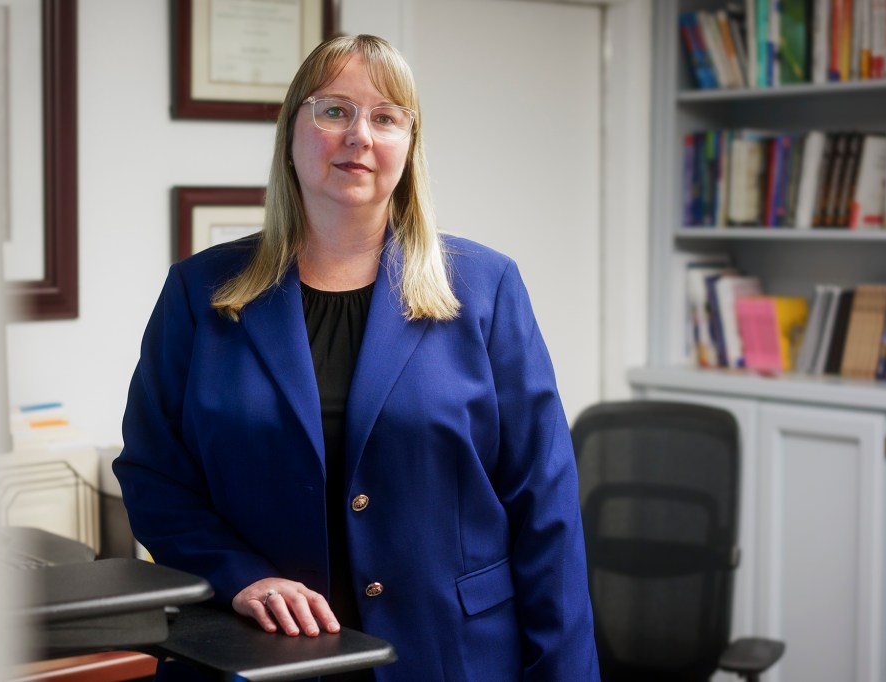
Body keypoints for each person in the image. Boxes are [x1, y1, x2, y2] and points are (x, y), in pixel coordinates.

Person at [114, 34, 600, 681]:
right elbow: (152, 475)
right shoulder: (199, 291)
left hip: (448, 654)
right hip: (256, 655)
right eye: (334, 111)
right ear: (292, 133)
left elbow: (545, 504)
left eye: (385, 117)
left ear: (409, 143)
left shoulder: (486, 287)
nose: (359, 136)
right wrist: (239, 577)